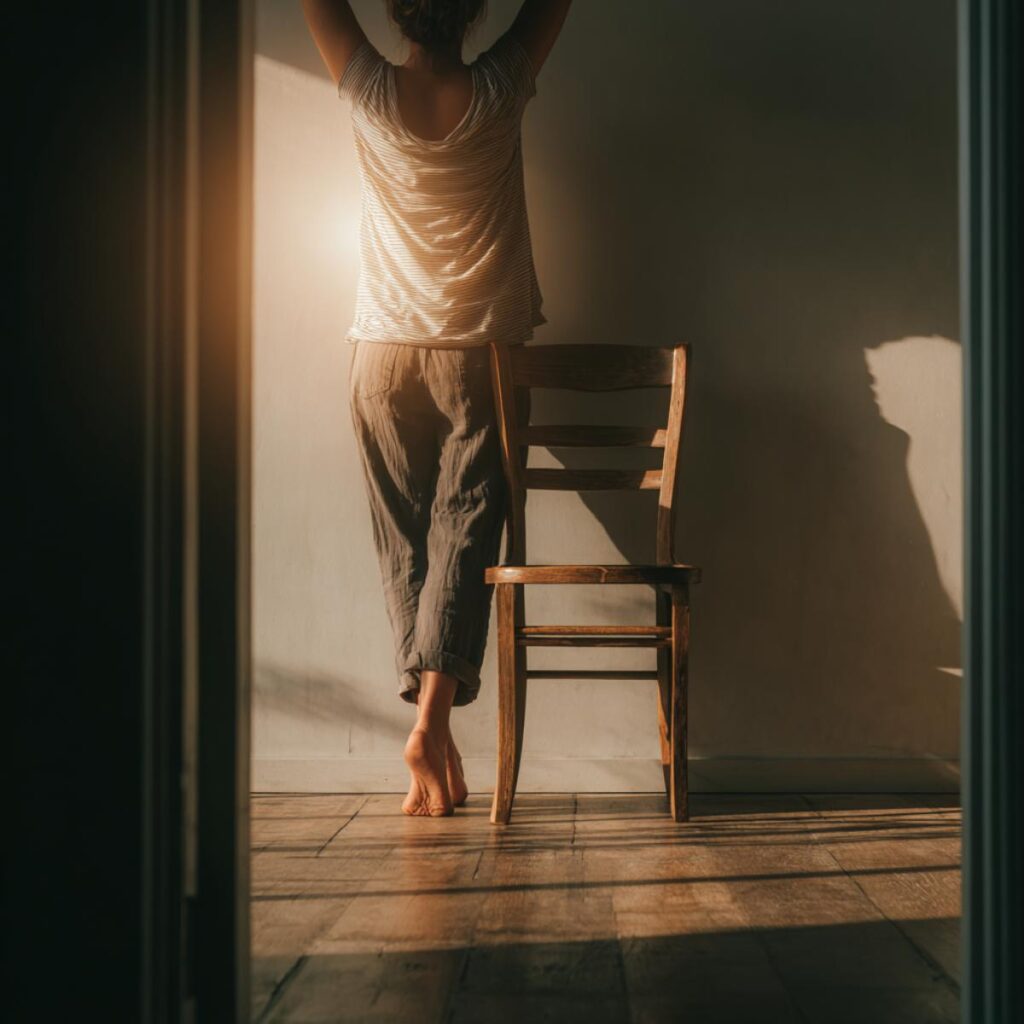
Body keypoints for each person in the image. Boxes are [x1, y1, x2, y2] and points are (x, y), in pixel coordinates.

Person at [302, 0, 573, 816]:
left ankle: (432, 731)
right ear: (475, 11)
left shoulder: (367, 88)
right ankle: (430, 724)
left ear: (396, 11)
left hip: (379, 356)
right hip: (477, 354)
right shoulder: (501, 85)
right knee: (465, 531)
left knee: (407, 543)